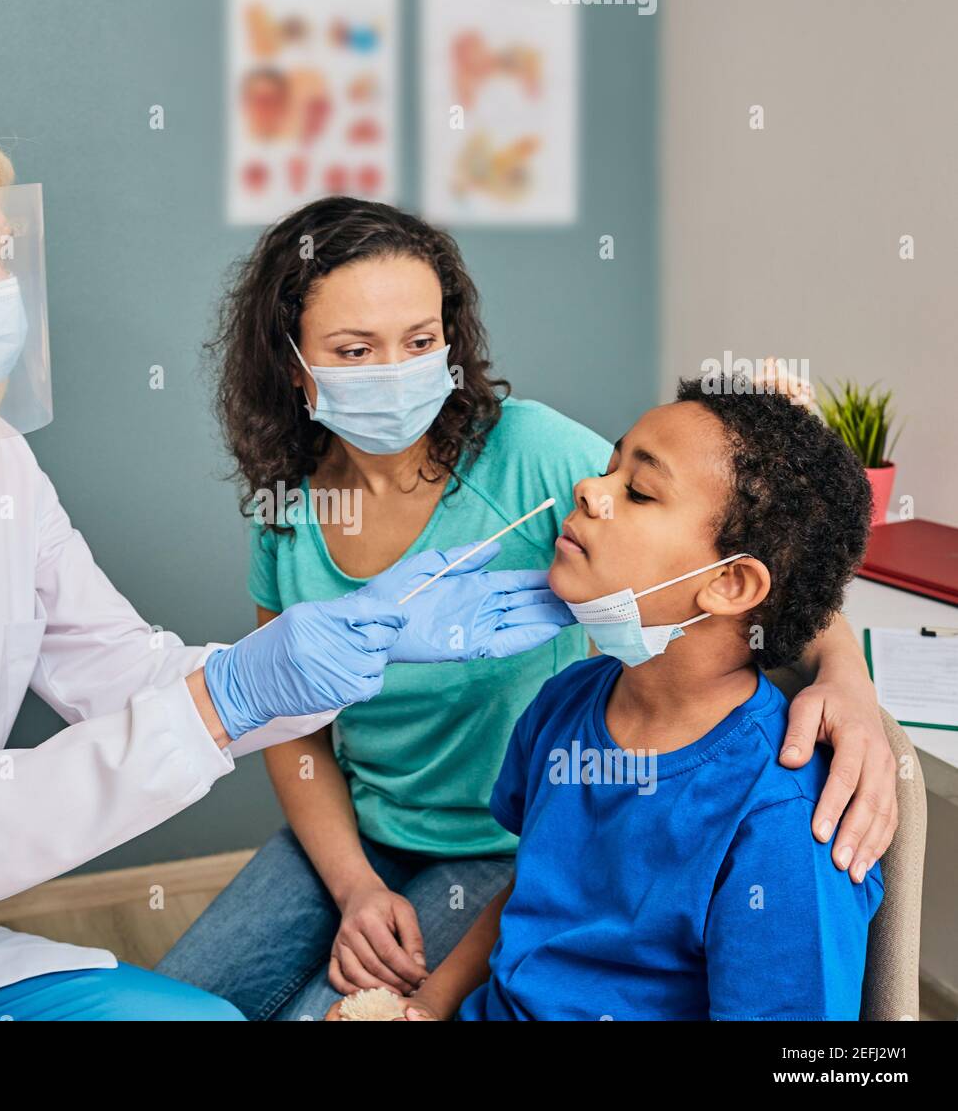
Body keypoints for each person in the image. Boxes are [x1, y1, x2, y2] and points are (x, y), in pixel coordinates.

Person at [0, 106, 563, 1021]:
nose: (0, 291)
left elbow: (121, 672)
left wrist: (338, 650)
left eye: (2, 256)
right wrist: (235, 695)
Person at [157, 198, 898, 1021]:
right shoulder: (565, 707)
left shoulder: (535, 457)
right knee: (171, 1004)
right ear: (295, 364)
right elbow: (288, 725)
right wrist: (362, 896)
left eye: (421, 339)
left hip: (487, 846)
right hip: (373, 831)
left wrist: (849, 681)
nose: (592, 489)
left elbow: (768, 564)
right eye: (355, 350)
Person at [329, 380, 884, 1021]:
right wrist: (424, 1007)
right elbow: (526, 897)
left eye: (639, 491)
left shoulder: (782, 823)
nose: (589, 490)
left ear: (730, 582)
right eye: (607, 468)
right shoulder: (565, 704)